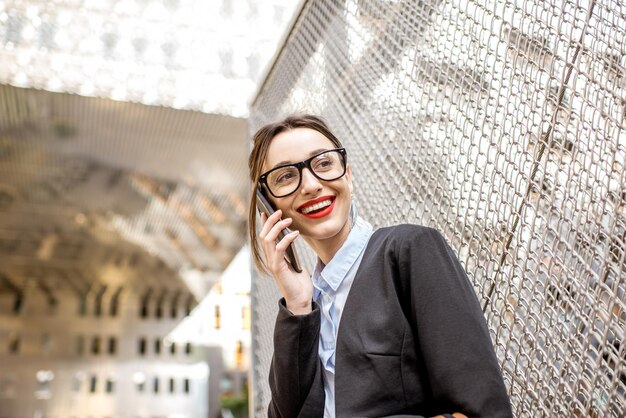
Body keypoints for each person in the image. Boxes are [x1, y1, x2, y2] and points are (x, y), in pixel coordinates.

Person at [248, 114, 513, 418]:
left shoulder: (409, 249)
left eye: (323, 164)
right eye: (285, 176)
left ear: (347, 175)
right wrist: (297, 306)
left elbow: (482, 409)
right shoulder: (307, 306)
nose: (309, 185)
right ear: (268, 205)